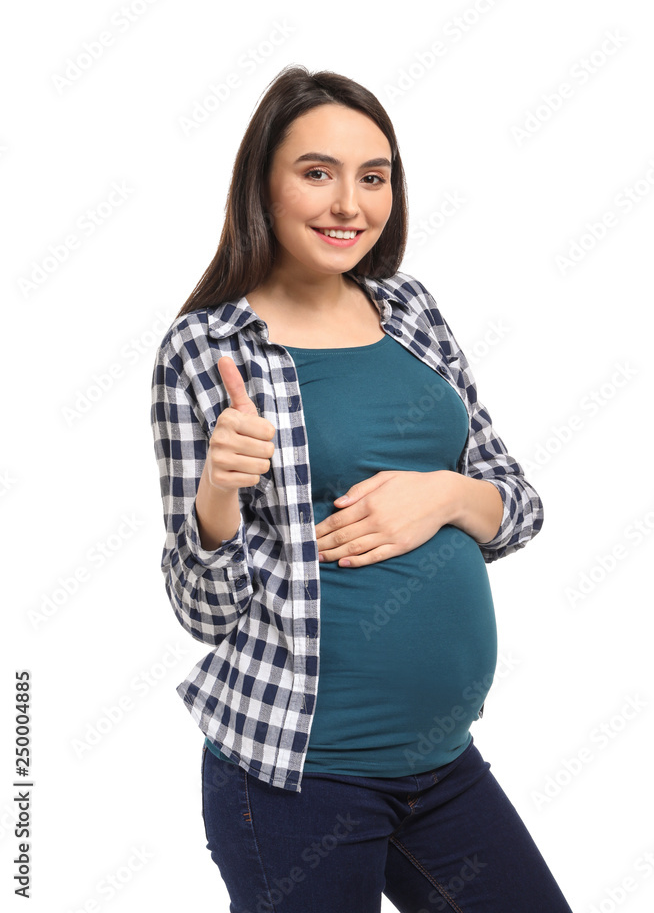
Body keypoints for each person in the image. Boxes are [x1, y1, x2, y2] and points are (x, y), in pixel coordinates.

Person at [150, 65, 575, 912]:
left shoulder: (411, 309)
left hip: (442, 764)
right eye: (318, 173)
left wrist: (446, 497)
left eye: (372, 177)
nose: (350, 203)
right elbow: (203, 613)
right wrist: (218, 496)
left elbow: (515, 501)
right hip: (297, 780)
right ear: (261, 185)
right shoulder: (205, 349)